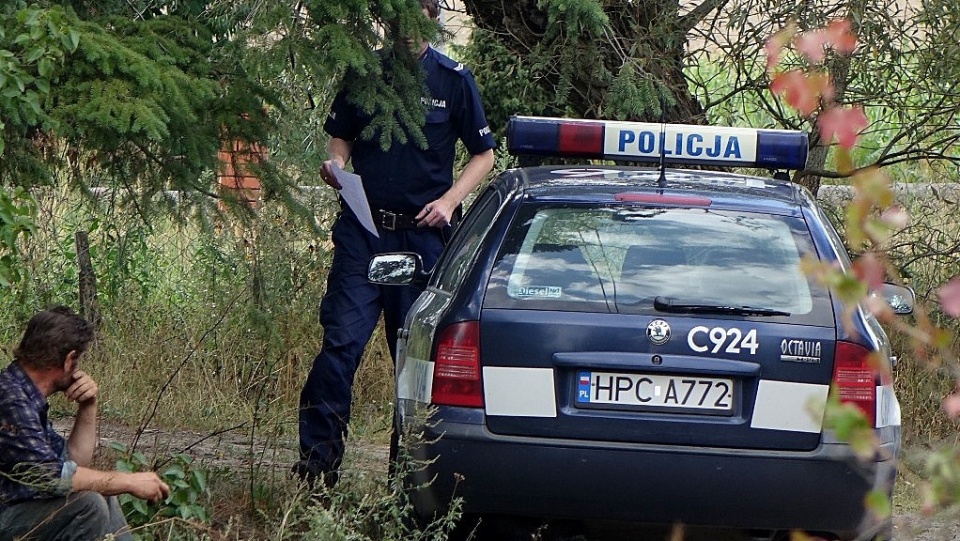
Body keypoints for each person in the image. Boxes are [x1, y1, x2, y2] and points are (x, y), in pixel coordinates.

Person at [294, 0, 496, 489]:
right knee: (340, 344)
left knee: (414, 361)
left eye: (417, 15)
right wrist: (337, 168)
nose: (406, 27)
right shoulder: (365, 73)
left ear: (432, 19)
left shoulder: (453, 79)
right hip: (365, 233)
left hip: (425, 239)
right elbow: (339, 139)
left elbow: (484, 155)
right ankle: (317, 474)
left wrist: (450, 201)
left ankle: (407, 483)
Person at [0, 306, 170, 541]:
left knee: (98, 491)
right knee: (87, 505)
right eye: (78, 360)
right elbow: (51, 477)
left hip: (13, 511)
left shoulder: (25, 395)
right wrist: (127, 480)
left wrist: (88, 405)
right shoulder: (9, 398)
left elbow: (74, 462)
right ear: (69, 360)